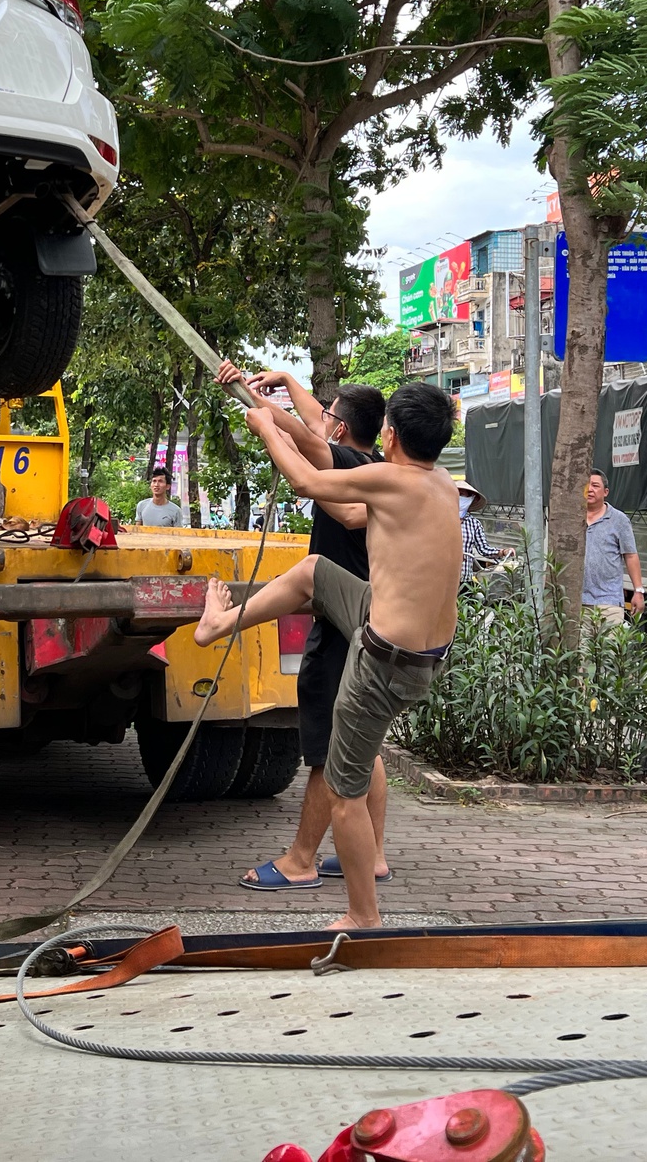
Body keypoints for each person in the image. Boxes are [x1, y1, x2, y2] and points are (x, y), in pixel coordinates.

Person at [195, 381, 462, 929]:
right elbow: (342, 491)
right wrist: (275, 400)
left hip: (385, 658)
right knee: (314, 573)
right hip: (410, 640)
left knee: (344, 791)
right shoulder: (440, 484)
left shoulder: (390, 477)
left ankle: (363, 917)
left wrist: (266, 426)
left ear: (389, 437)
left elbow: (306, 480)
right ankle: (221, 623)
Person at [212, 361, 390, 893]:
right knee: (366, 742)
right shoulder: (372, 462)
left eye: (328, 415)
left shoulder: (342, 467)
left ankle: (301, 859)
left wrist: (264, 420)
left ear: (339, 428)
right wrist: (282, 384)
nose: (320, 418)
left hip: (340, 625)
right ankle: (373, 857)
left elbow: (302, 445)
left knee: (325, 750)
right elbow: (310, 421)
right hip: (369, 619)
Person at [583, 471, 643, 624]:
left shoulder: (618, 519)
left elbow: (630, 555)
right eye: (586, 486)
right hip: (578, 601)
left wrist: (638, 591)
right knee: (580, 648)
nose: (590, 489)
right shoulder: (571, 518)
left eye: (595, 486)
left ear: (606, 492)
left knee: (608, 647)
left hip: (608, 601)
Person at [455, 477, 501, 580]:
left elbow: (484, 549)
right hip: (444, 580)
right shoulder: (440, 520)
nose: (458, 497)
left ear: (470, 499)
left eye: (462, 495)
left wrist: (502, 552)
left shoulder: (474, 524)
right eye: (456, 494)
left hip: (465, 579)